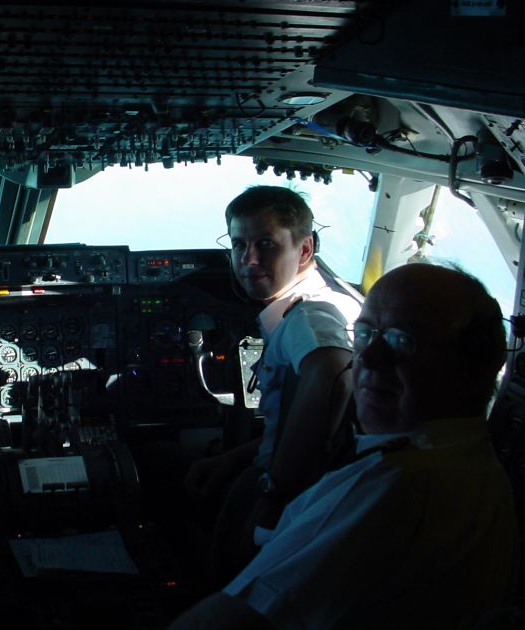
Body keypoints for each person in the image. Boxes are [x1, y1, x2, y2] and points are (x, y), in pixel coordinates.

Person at [171, 263, 519, 629]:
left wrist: (271, 495)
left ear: (475, 365)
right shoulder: (471, 463)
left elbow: (236, 619)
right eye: (365, 334)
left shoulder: (395, 487)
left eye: (404, 340)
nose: (368, 358)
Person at [184, 186, 361, 583]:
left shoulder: (310, 314)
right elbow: (300, 419)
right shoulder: (321, 304)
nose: (249, 260)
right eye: (239, 244)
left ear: (303, 250)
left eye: (266, 244)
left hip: (298, 499)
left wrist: (275, 495)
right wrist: (233, 458)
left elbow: (331, 372)